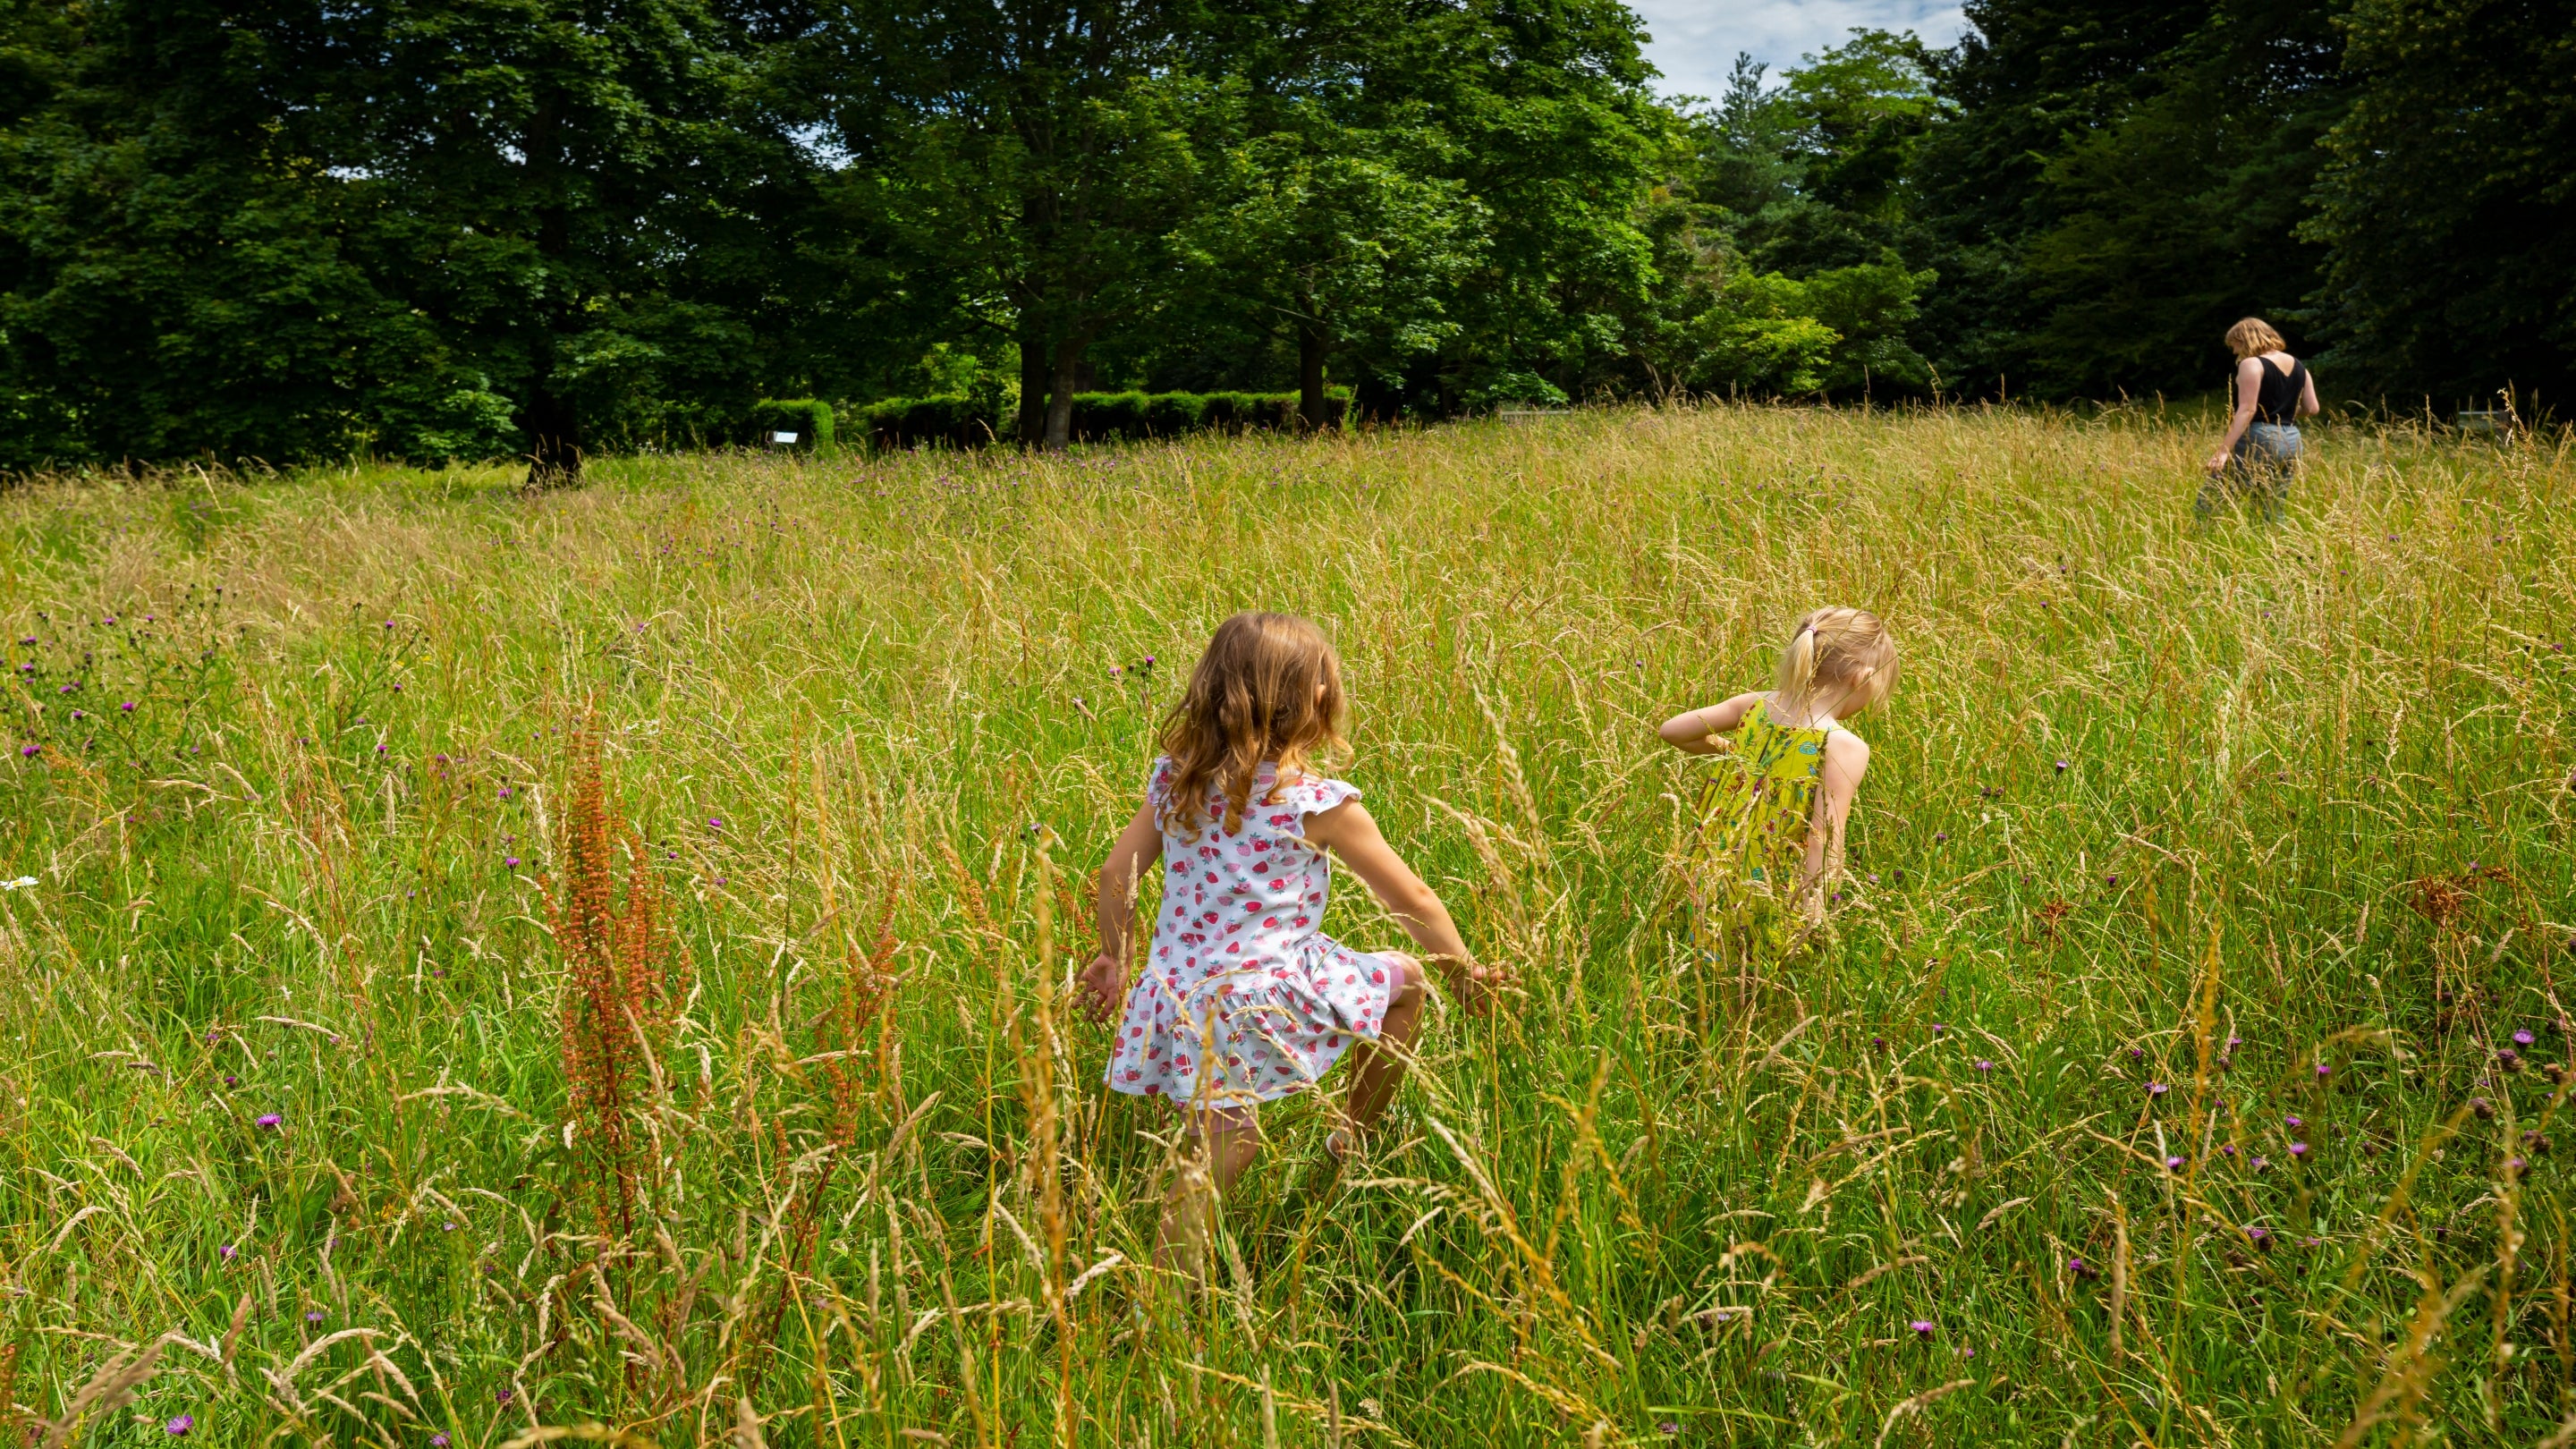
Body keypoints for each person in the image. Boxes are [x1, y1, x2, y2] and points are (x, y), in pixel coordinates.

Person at [1079, 612, 1499, 1278]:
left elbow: (1115, 875)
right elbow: (1412, 900)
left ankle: (1342, 1145)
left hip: (1178, 988)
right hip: (1257, 994)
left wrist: (1116, 957)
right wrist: (1467, 972)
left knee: (1222, 1131)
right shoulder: (1317, 802)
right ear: (1317, 701)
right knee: (1408, 985)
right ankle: (1166, 1288)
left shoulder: (1175, 780)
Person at [1657, 607, 1894, 974]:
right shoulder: (1843, 745)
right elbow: (1824, 837)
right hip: (1774, 878)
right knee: (1759, 978)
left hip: (1718, 860)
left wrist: (1737, 753)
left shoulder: (1756, 704)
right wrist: (1817, 911)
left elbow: (1672, 731)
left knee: (1708, 968)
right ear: (1862, 678)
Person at [2199, 317, 2319, 523]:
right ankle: (2272, 550)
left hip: (2259, 437)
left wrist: (2223, 451)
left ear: (2245, 339)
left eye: (2234, 345)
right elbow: (2312, 408)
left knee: (2212, 499)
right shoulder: (2300, 366)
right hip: (2291, 440)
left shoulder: (2251, 364)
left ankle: (2198, 543)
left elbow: (2247, 409)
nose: (2235, 352)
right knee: (2271, 507)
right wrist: (2284, 411)